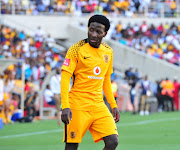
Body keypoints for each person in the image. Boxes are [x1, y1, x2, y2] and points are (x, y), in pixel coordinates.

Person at [61, 15, 120, 150]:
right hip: (77, 105)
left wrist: (113, 104)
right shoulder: (76, 49)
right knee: (71, 146)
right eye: (91, 30)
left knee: (113, 141)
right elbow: (65, 77)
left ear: (105, 34)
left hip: (98, 105)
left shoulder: (108, 52)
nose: (93, 34)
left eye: (98, 32)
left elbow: (106, 80)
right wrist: (65, 106)